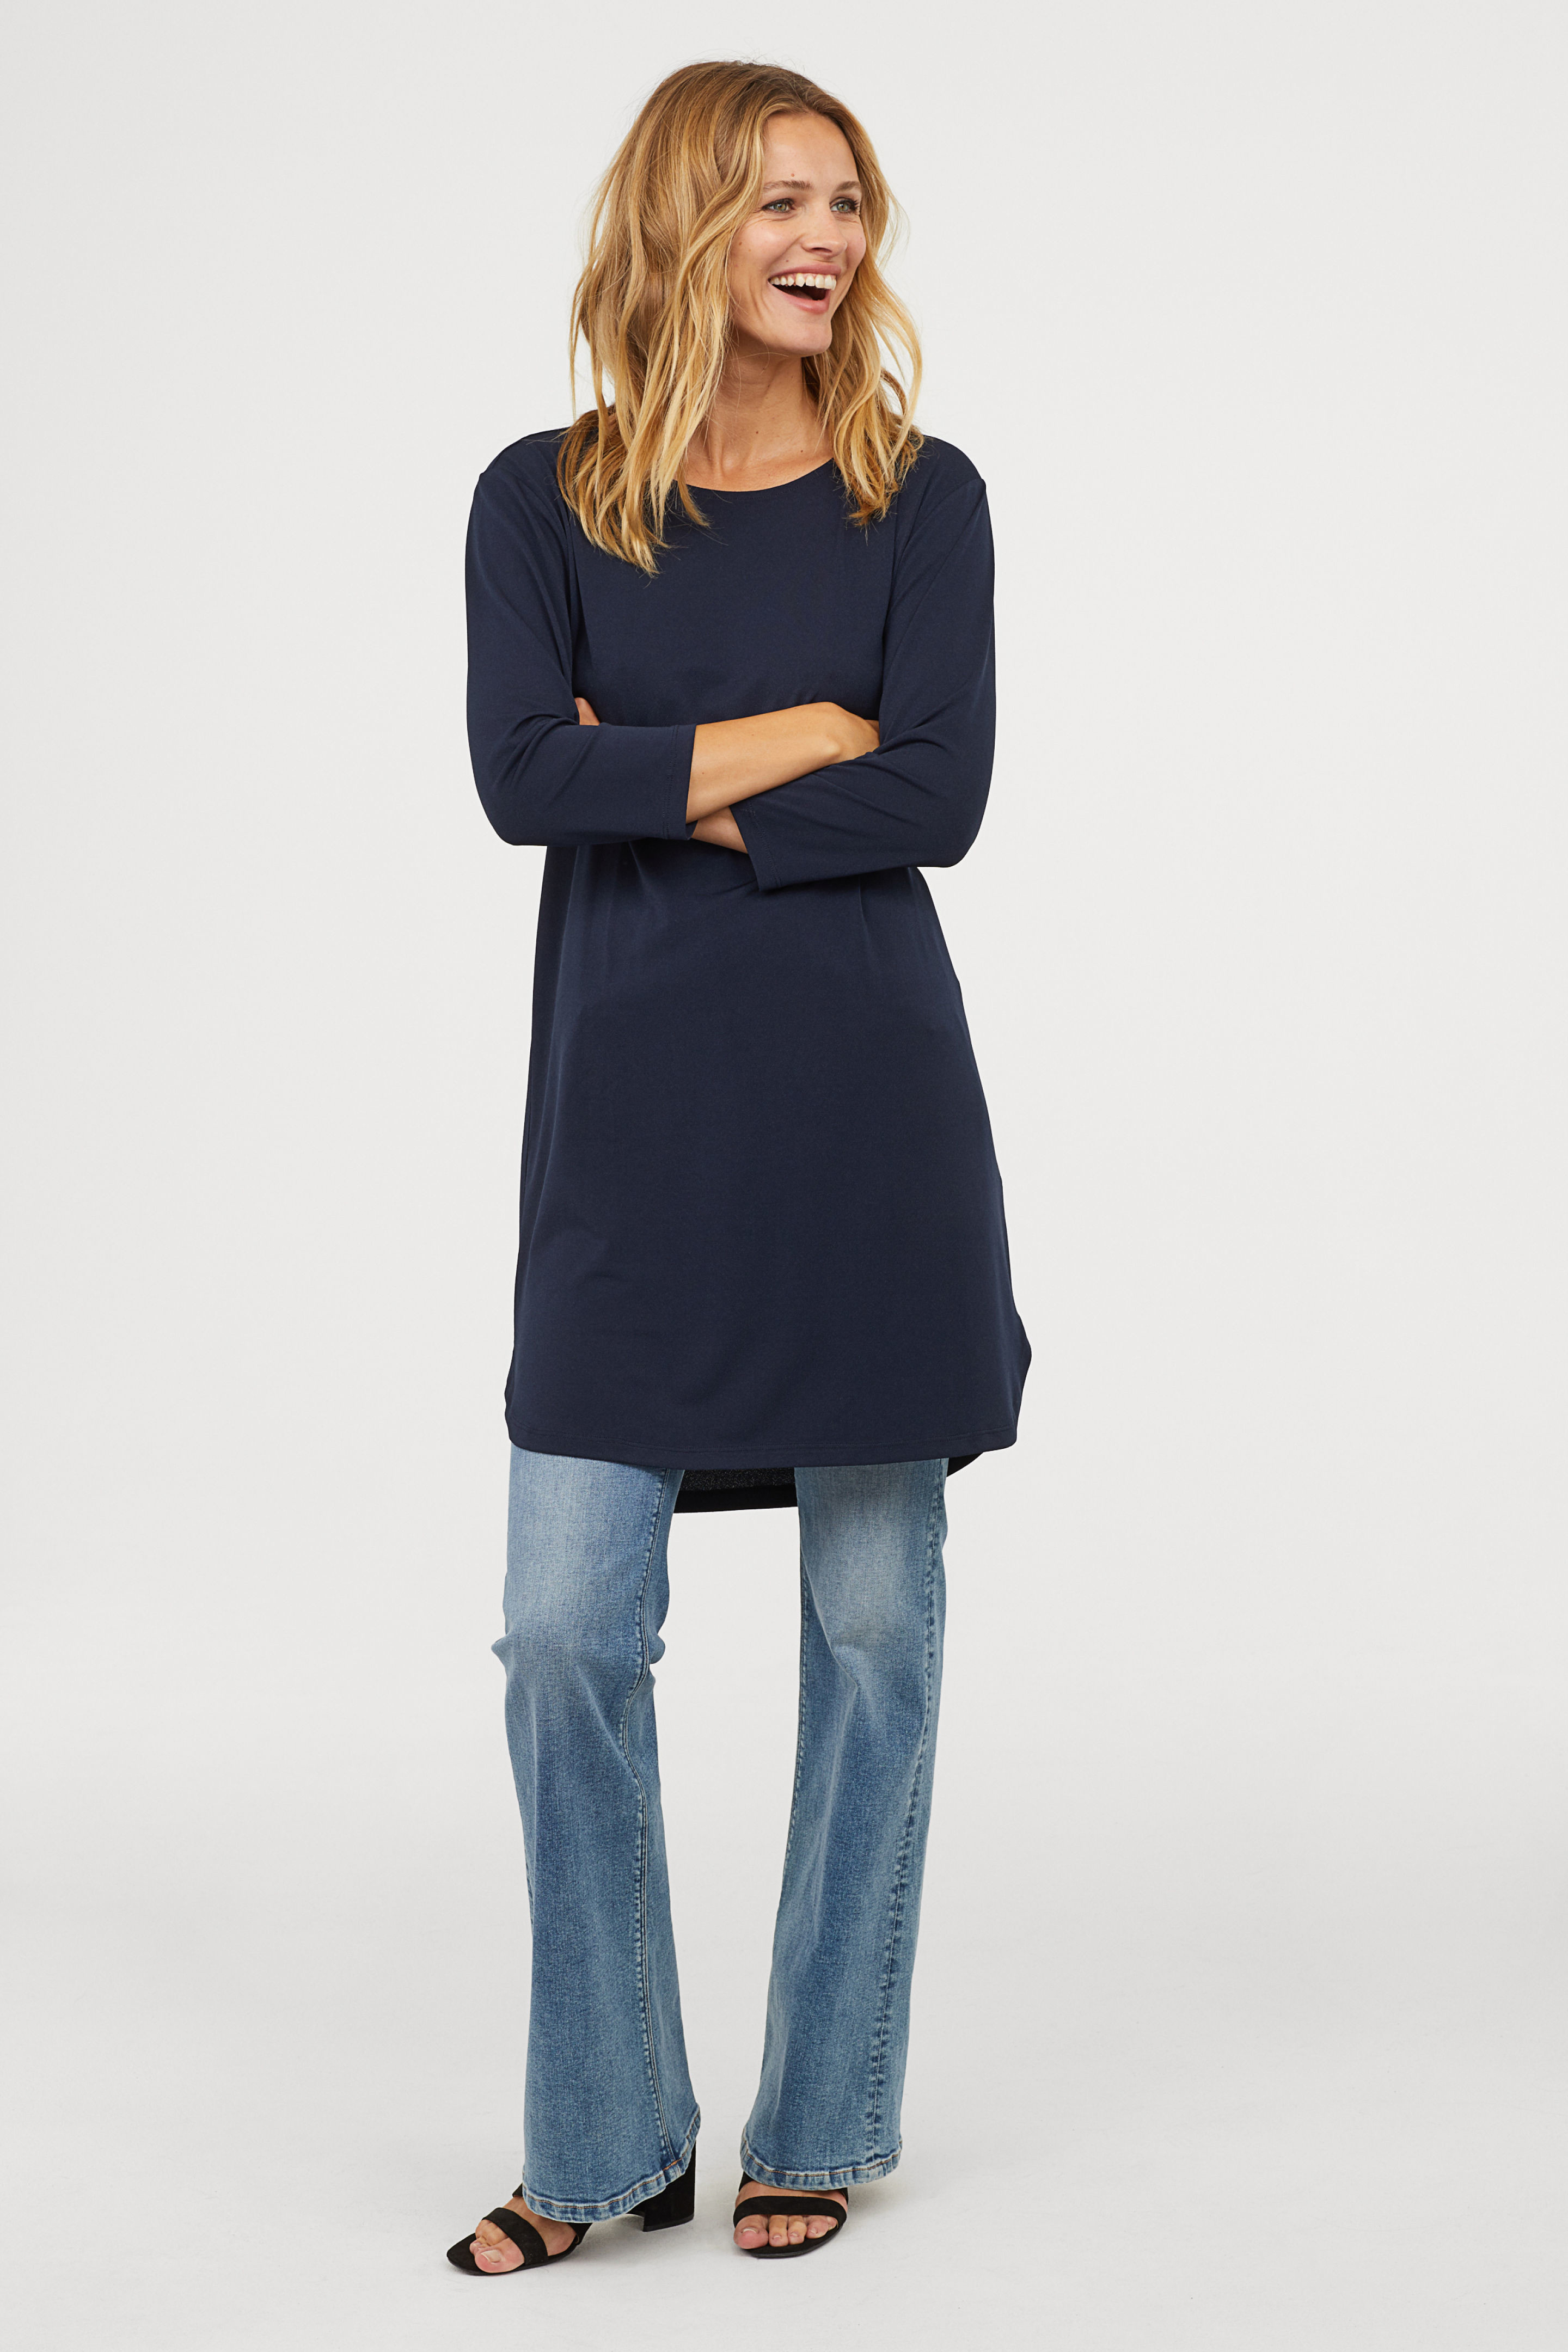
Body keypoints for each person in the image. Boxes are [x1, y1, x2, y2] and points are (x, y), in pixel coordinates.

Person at [447, 58, 1029, 2275]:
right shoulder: (540, 500)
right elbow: (525, 776)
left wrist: (660, 772)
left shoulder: (923, 498)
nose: (827, 238)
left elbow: (939, 796)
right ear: (682, 219)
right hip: (628, 1144)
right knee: (562, 1633)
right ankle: (603, 2137)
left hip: (869, 1134)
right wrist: (804, 735)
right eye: (783, 197)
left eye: (850, 202)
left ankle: (822, 2113)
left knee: (876, 1632)